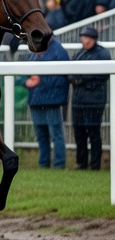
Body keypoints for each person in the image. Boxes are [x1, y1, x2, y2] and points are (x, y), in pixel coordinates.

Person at [25, 39, 70, 169]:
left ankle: (59, 164)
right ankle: (43, 163)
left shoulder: (58, 51)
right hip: (36, 98)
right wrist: (27, 82)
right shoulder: (36, 50)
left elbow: (63, 76)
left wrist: (40, 80)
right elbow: (25, 72)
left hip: (52, 100)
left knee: (56, 134)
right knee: (41, 134)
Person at [70, 26, 109, 171]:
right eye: (82, 37)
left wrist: (82, 80)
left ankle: (95, 165)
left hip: (94, 101)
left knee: (93, 133)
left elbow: (102, 76)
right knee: (79, 133)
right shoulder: (79, 53)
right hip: (78, 101)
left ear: (93, 39)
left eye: (86, 37)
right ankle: (81, 163)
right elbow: (69, 73)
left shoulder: (102, 54)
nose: (83, 40)